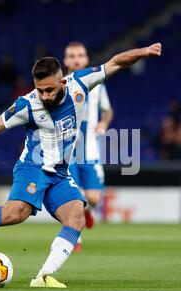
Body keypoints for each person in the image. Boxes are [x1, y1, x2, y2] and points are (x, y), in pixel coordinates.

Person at [0, 43, 162, 288]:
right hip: (32, 168)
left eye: (49, 90)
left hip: (60, 173)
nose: (44, 96)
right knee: (14, 214)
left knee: (77, 216)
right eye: (39, 90)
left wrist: (143, 52)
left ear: (62, 82)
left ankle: (43, 276)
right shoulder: (27, 104)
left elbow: (116, 62)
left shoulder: (80, 84)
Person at [63, 42, 114, 252]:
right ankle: (75, 238)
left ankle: (86, 212)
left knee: (93, 197)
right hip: (67, 150)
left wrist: (103, 123)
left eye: (80, 55)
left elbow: (108, 111)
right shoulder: (60, 84)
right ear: (65, 61)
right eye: (72, 56)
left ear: (86, 59)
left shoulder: (98, 84)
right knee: (72, 196)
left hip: (90, 149)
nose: (76, 59)